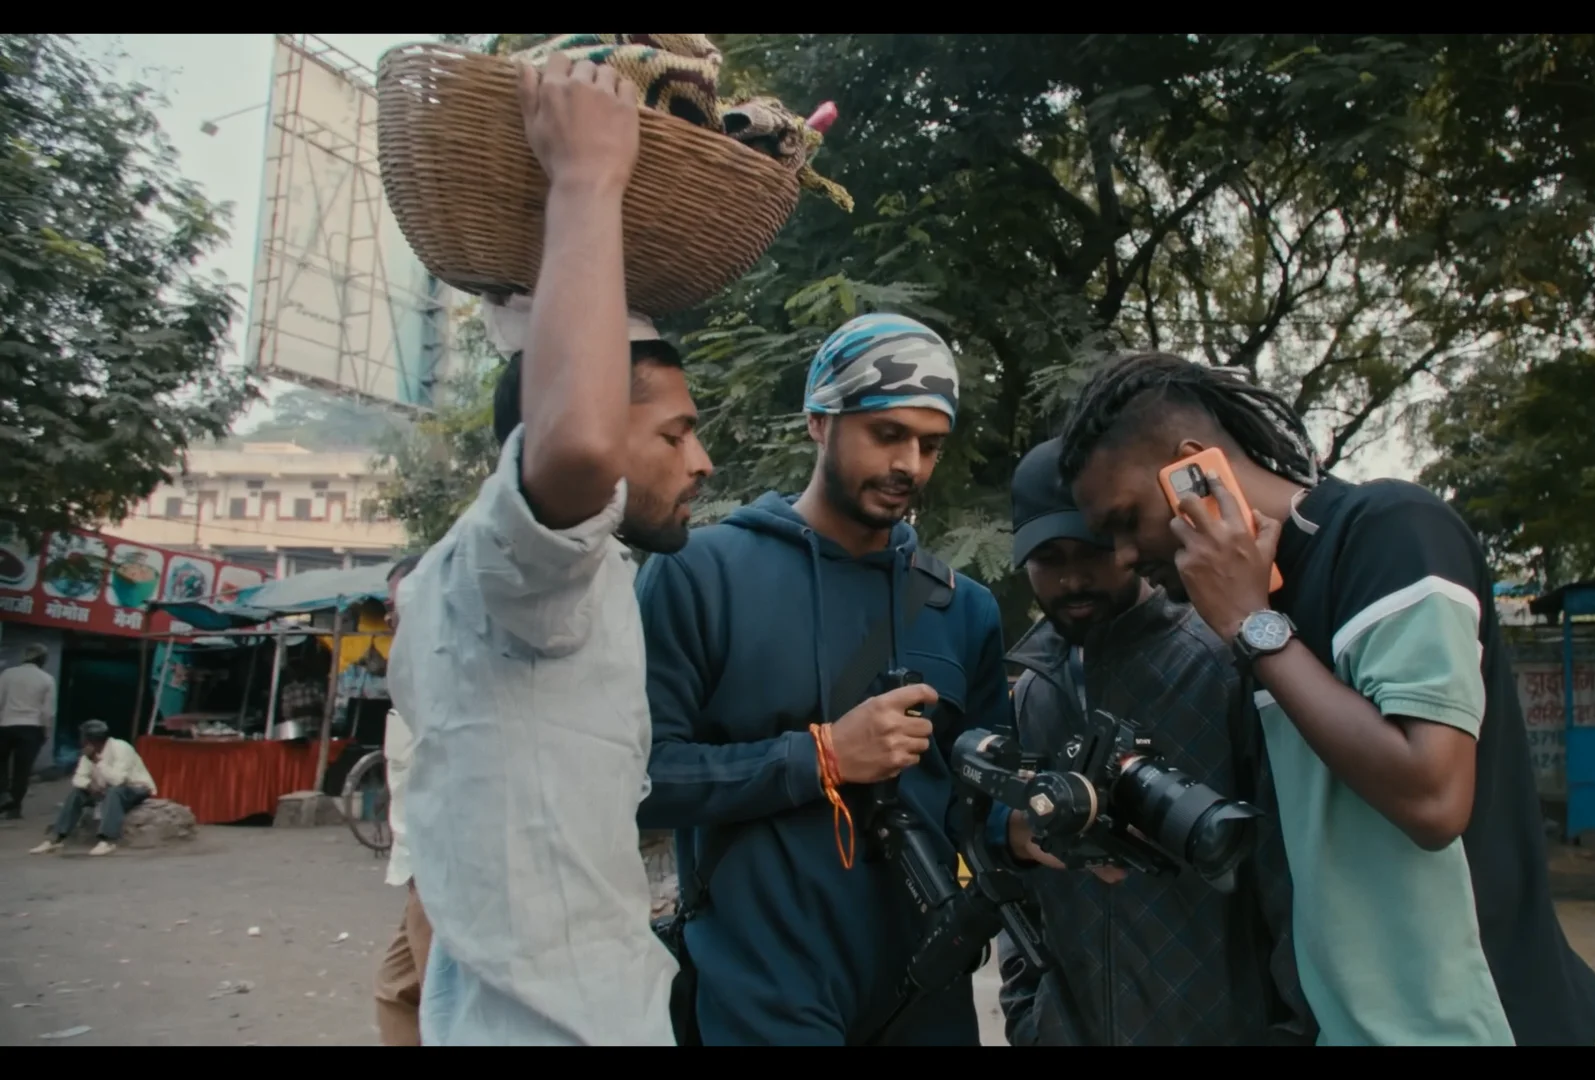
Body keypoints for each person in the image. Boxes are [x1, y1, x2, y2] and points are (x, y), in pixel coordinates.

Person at [1056, 351, 1595, 1047]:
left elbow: (1433, 799)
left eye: (1125, 520)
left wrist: (1252, 626)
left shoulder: (1390, 534)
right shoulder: (1257, 609)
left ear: (1193, 471)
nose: (1122, 556)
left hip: (1470, 1028)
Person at [388, 53, 713, 1046]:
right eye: (673, 434)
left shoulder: (587, 576)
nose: (702, 462)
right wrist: (585, 176)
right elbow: (574, 447)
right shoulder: (522, 571)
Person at [635, 311, 1011, 1046]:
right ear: (818, 420)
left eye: (930, 444)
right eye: (887, 433)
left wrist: (1033, 827)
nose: (910, 464)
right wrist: (823, 756)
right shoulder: (700, 574)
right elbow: (641, 780)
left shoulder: (962, 609)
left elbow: (981, 805)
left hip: (927, 998)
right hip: (763, 998)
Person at [993, 438, 1314, 1046]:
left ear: (1125, 543)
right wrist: (1029, 1014)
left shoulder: (1224, 665)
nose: (1071, 578)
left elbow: (1289, 874)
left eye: (1091, 550)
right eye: (1047, 558)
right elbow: (1023, 875)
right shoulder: (1032, 694)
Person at [370, 554, 429, 1045]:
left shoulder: (449, 672)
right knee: (395, 989)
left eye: (398, 608)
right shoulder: (410, 674)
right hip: (419, 870)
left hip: (441, 873)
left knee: (445, 1003)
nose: (392, 620)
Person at [29, 719, 155, 856]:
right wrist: (89, 785)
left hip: (136, 788)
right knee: (77, 793)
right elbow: (78, 778)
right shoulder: (88, 754)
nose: (81, 740)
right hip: (104, 789)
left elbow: (117, 780)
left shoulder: (121, 748)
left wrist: (96, 760)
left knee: (114, 792)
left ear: (91, 740)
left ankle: (108, 840)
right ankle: (57, 838)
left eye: (83, 737)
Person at [0, 642, 56, 820]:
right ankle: (14, 809)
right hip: (32, 728)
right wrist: (46, 732)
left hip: (6, 725)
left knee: (1, 763)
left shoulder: (8, 674)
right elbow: (48, 712)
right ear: (42, 660)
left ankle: (3, 793)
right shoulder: (47, 679)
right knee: (22, 770)